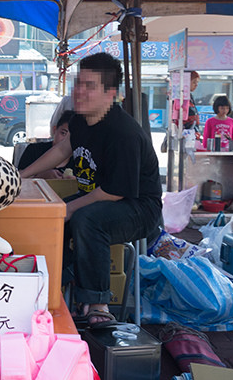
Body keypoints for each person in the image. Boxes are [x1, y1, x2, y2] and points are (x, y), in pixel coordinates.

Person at [19, 53, 162, 326]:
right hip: (102, 199)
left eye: (90, 86)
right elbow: (63, 149)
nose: (80, 92)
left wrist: (69, 209)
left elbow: (113, 192)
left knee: (86, 219)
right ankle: (46, 291)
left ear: (111, 93)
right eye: (78, 83)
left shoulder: (123, 133)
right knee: (48, 218)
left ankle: (98, 304)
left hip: (138, 208)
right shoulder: (80, 120)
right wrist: (22, 174)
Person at [17, 110, 73, 179]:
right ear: (54, 130)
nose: (65, 140)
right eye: (63, 133)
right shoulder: (34, 150)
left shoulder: (80, 160)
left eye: (72, 137)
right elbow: (18, 177)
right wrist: (40, 176)